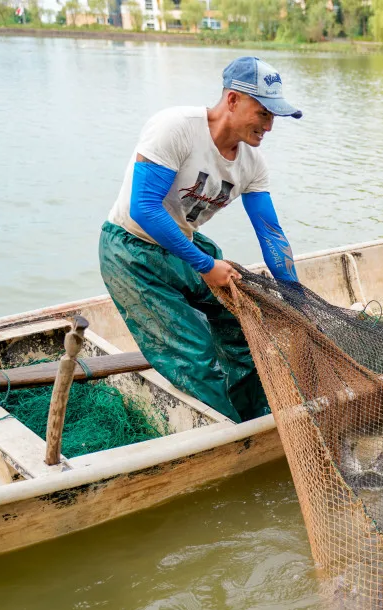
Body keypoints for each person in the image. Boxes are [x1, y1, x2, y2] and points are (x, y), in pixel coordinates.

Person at [99, 56, 302, 423]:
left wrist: (297, 297)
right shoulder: (176, 128)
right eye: (263, 113)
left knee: (244, 330)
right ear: (233, 99)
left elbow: (271, 234)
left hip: (182, 244)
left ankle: (252, 419)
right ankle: (227, 433)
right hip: (130, 250)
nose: (269, 126)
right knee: (194, 352)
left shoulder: (252, 164)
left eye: (274, 117)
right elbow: (143, 208)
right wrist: (206, 266)